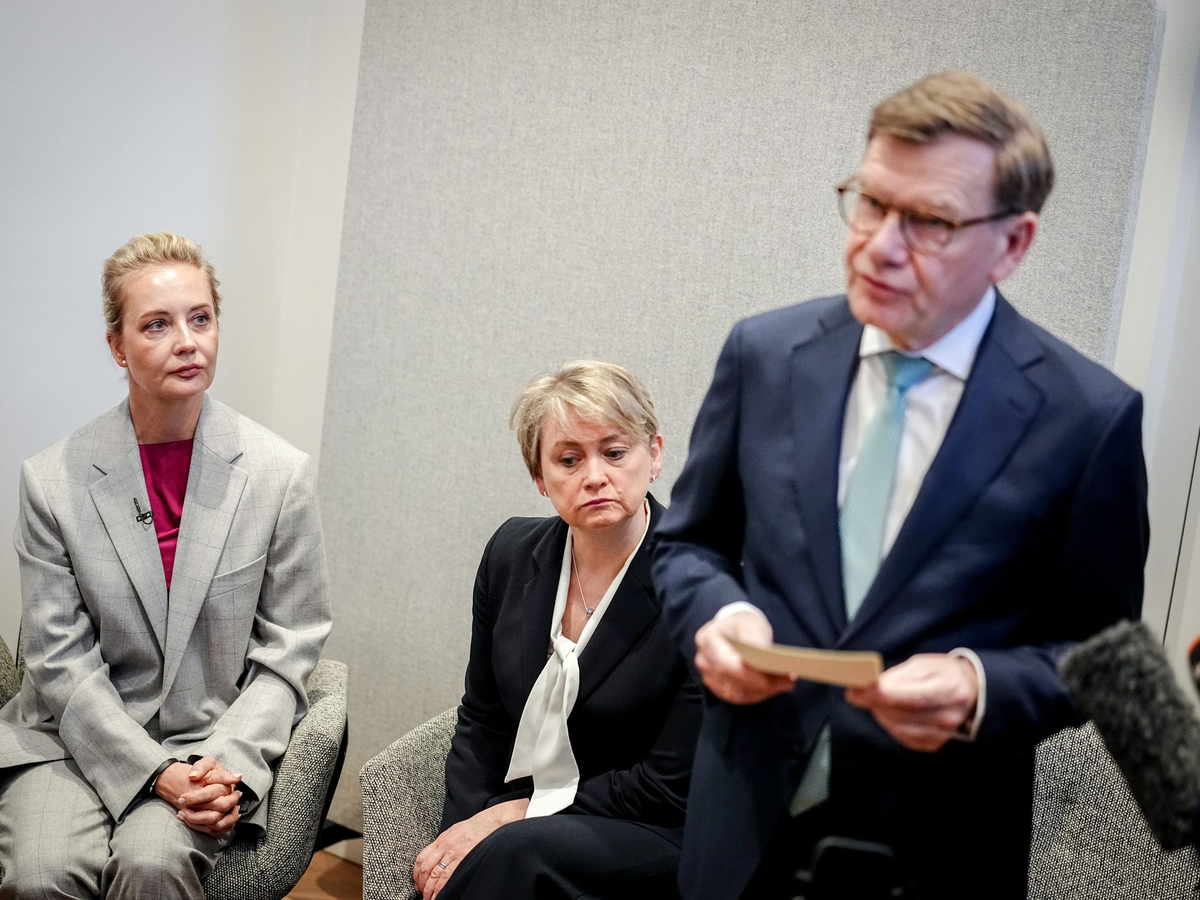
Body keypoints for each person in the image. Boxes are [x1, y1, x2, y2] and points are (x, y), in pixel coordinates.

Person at [652, 71, 1149, 899]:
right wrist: (720, 617)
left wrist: (979, 685)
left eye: (930, 222)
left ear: (1014, 244)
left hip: (936, 845)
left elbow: (1104, 656)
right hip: (739, 826)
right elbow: (687, 544)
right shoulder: (764, 354)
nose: (880, 245)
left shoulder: (1087, 417)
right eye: (872, 203)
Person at [0, 232, 332, 898]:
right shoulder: (51, 481)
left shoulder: (279, 475)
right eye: (157, 324)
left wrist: (226, 766)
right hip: (70, 739)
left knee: (153, 865)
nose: (186, 341)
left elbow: (290, 648)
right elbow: (57, 658)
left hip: (208, 743)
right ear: (117, 347)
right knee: (41, 876)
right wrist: (152, 773)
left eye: (200, 318)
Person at [413, 360, 702, 900]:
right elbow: (483, 719)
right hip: (529, 819)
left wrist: (515, 816)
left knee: (516, 854)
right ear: (540, 479)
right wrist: (463, 830)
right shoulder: (510, 554)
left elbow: (669, 785)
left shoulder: (701, 584)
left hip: (653, 825)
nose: (594, 476)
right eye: (569, 460)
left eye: (614, 452)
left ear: (655, 454)